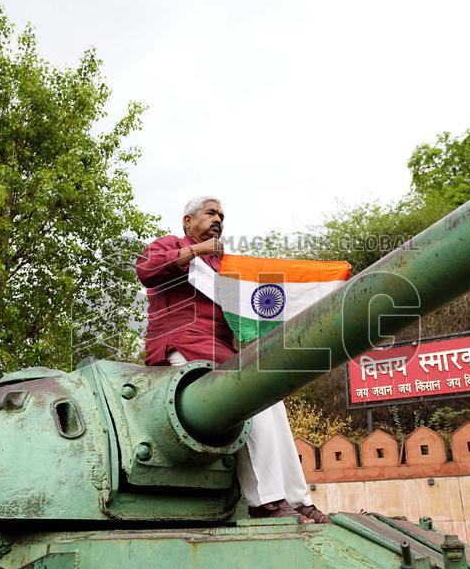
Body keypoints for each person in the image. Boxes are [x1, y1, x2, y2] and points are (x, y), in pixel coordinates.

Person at [135, 196, 328, 524]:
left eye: (221, 215)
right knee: (249, 398)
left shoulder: (224, 268)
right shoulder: (171, 245)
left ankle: (298, 499)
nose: (218, 219)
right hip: (183, 346)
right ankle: (264, 502)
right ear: (187, 221)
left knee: (271, 399)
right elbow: (147, 270)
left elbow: (243, 318)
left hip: (221, 351)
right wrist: (199, 251)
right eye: (210, 213)